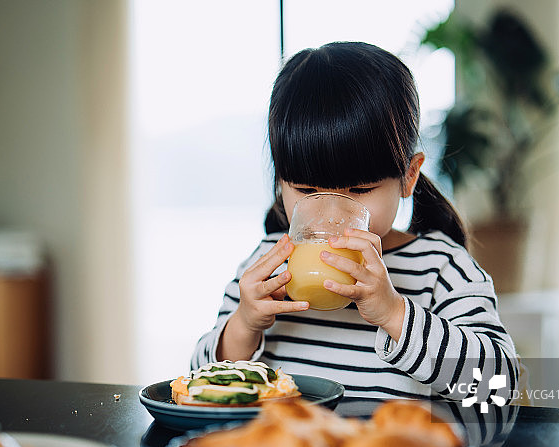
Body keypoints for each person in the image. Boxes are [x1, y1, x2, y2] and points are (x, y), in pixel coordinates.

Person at [191, 42, 519, 402]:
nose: (332, 213)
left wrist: (395, 313)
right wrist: (244, 324)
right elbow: (198, 381)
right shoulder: (265, 267)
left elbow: (499, 385)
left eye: (359, 190)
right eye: (305, 189)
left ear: (408, 177)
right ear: (279, 183)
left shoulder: (441, 269)